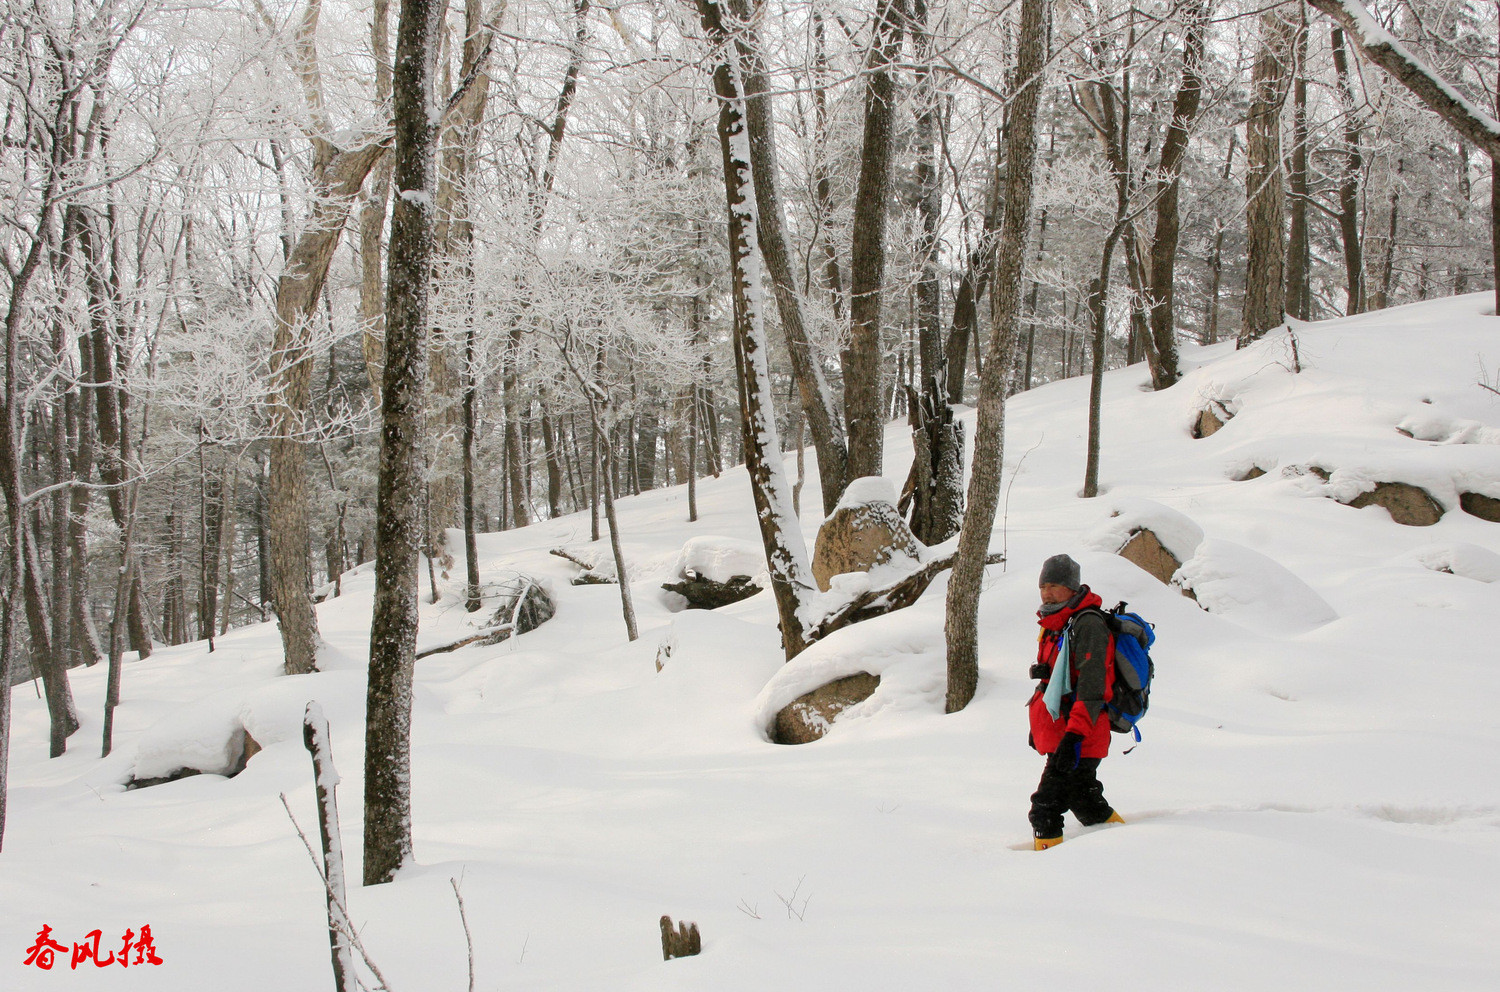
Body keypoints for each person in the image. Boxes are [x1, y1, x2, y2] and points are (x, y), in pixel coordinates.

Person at [1027, 554, 1124, 850]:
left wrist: (1074, 736)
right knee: (1084, 799)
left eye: (1054, 585)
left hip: (1081, 729)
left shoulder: (1088, 624)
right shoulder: (1056, 623)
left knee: (1045, 808)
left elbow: (1094, 688)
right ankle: (1123, 844)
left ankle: (1047, 868)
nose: (1047, 592)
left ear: (1072, 588)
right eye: (1043, 585)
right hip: (1062, 728)